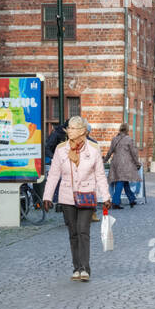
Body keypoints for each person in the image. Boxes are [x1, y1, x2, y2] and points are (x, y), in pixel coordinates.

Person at [42, 116, 110, 282]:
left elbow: (100, 175)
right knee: (73, 232)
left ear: (82, 131)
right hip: (67, 196)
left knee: (82, 230)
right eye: (69, 128)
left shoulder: (93, 149)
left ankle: (85, 268)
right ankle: (77, 267)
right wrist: (47, 196)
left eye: (72, 128)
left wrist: (106, 196)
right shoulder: (61, 150)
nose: (69, 131)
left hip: (86, 194)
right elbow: (53, 174)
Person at [107, 124, 141, 209]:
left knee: (124, 181)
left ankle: (132, 199)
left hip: (115, 163)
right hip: (125, 164)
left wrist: (104, 160)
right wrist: (137, 163)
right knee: (121, 181)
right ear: (127, 130)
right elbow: (134, 153)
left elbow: (110, 151)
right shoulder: (129, 139)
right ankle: (115, 202)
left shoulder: (114, 139)